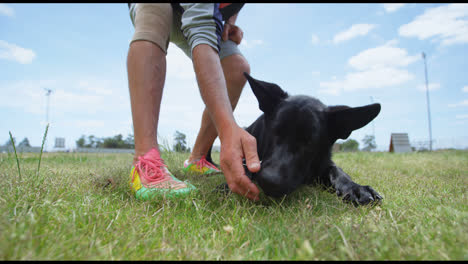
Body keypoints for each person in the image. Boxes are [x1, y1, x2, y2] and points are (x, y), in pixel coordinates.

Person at [126, 3, 261, 201]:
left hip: (199, 12)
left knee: (236, 67)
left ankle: (197, 159)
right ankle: (146, 161)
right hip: (172, 10)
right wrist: (227, 128)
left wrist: (230, 22)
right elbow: (201, 27)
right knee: (155, 11)